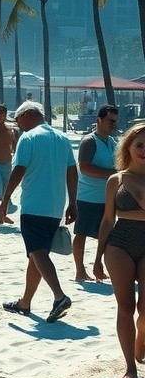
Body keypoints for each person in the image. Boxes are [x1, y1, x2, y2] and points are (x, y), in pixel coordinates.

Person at [0, 101, 77, 323]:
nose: (17, 123)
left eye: (18, 119)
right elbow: (72, 172)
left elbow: (19, 169)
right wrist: (72, 203)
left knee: (37, 251)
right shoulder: (61, 138)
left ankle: (59, 296)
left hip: (34, 205)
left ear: (28, 115)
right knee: (36, 255)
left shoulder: (29, 137)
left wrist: (5, 199)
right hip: (55, 206)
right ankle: (24, 303)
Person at [94, 122, 145, 378]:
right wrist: (96, 258)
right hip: (119, 244)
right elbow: (106, 221)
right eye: (139, 145)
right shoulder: (116, 180)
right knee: (125, 306)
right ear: (129, 147)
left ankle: (141, 338)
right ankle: (130, 366)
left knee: (144, 311)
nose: (144, 150)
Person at [73, 104, 118, 281]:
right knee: (82, 233)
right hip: (87, 197)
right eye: (110, 120)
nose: (113, 124)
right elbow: (84, 167)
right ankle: (79, 270)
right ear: (99, 119)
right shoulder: (89, 141)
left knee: (106, 235)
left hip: (107, 198)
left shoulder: (113, 143)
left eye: (115, 121)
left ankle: (98, 267)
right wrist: (112, 174)